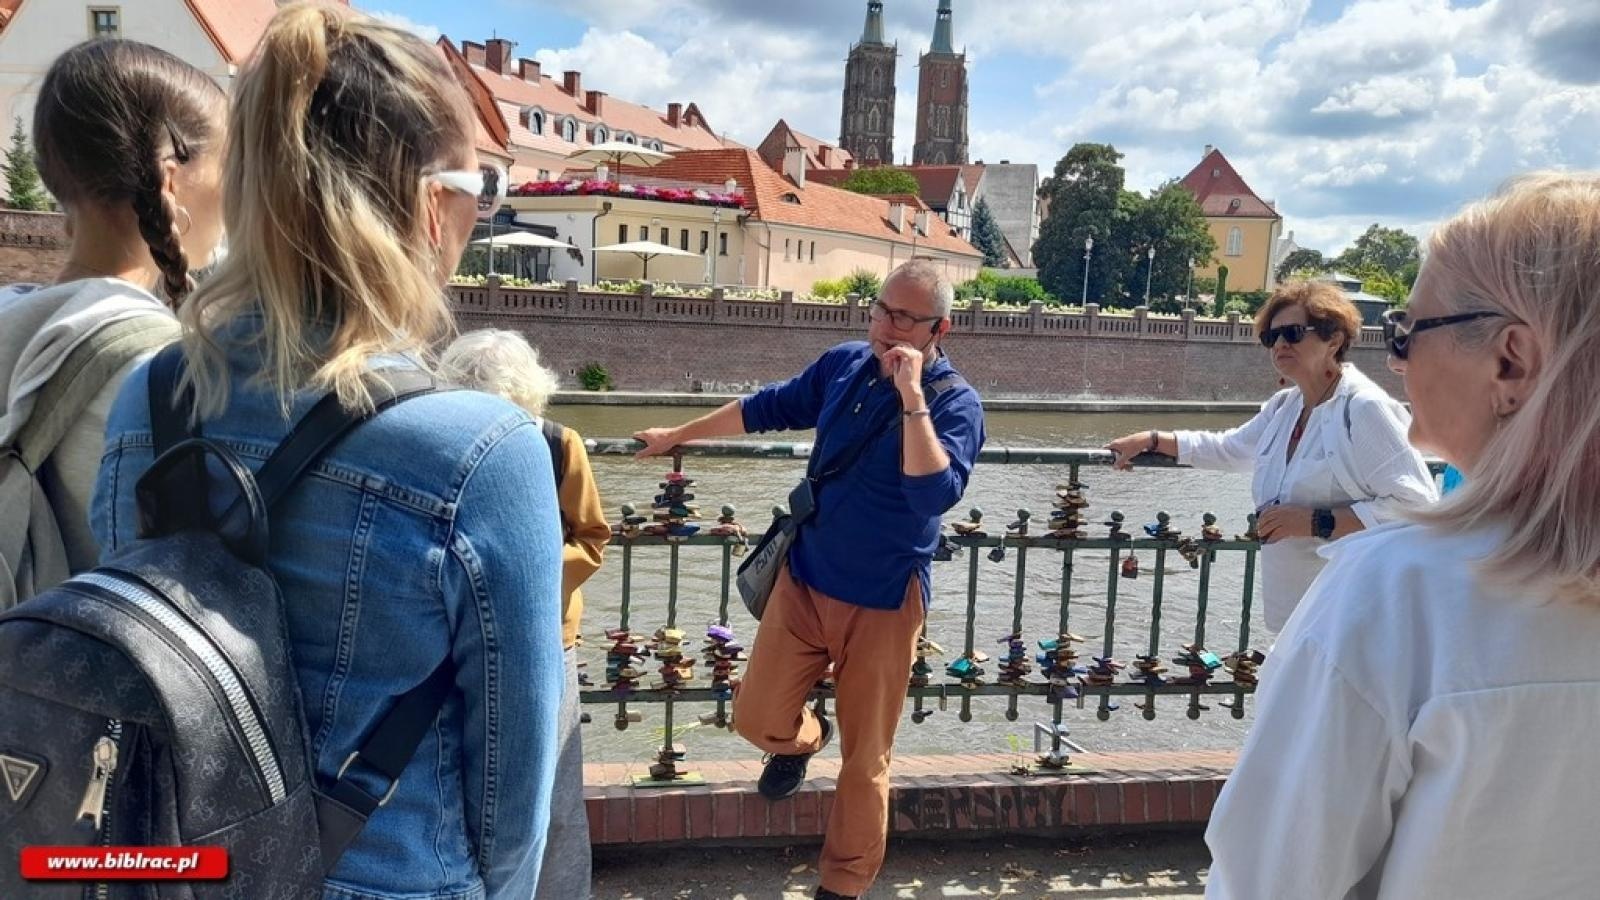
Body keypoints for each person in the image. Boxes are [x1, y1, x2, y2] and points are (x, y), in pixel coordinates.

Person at [91, 5, 564, 897]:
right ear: (432, 203)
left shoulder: (149, 399)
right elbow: (510, 800)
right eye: (485, 185)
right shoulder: (481, 452)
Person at [1206, 172, 1600, 898]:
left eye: (1408, 332)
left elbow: (1269, 880)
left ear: (1510, 363)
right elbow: (1232, 445)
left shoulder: (1394, 594)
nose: (1397, 360)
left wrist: (1321, 525)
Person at [634, 259, 985, 900]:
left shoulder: (956, 402)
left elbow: (933, 492)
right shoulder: (843, 364)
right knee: (756, 715)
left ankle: (843, 885)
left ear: (942, 329)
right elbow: (767, 407)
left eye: (908, 317)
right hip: (805, 577)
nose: (889, 326)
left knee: (866, 761)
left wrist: (911, 399)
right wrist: (678, 434)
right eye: (883, 309)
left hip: (884, 598)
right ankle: (802, 738)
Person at [0, 40, 224, 605]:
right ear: (171, 180)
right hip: (76, 681)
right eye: (234, 166)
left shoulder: (12, 314)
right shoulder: (157, 366)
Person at [1104, 281, 1437, 632]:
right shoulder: (1285, 406)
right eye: (1271, 337)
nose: (1279, 344)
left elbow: (1418, 507)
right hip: (1297, 617)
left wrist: (1317, 521)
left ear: (1334, 340)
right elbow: (1228, 449)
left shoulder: (1364, 408)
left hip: (1355, 617)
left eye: (1292, 333)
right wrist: (1153, 439)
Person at [440, 328, 609, 899]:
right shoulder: (442, 446)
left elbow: (592, 537)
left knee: (554, 788)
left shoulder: (560, 445)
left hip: (547, 637)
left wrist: (525, 578)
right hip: (454, 631)